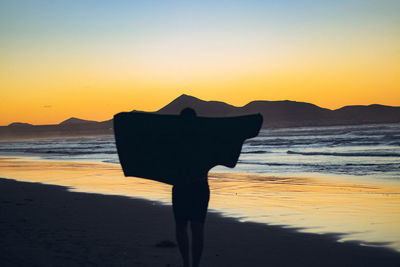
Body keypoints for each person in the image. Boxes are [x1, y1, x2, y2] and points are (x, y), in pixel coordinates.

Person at [172, 107, 210, 267]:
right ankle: (188, 264)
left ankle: (192, 264)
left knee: (193, 227)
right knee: (187, 227)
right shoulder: (175, 140)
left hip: (195, 187)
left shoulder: (203, 140)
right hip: (186, 187)